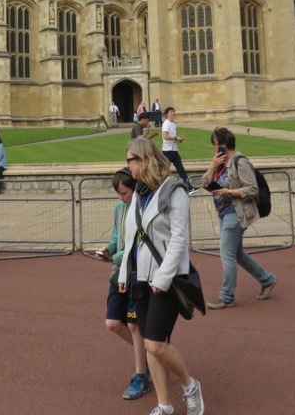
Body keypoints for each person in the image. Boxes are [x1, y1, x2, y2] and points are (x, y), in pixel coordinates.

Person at [118, 138, 204, 415]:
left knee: (155, 342)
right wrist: (123, 273)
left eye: (130, 159)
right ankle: (164, 406)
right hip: (141, 277)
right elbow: (131, 235)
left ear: (143, 160)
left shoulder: (174, 190)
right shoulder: (140, 192)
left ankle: (190, 385)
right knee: (150, 344)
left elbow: (179, 239)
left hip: (165, 278)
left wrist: (163, 278)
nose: (127, 165)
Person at [200, 126, 277, 309]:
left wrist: (229, 192)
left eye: (215, 144)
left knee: (227, 254)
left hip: (236, 214)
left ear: (223, 145)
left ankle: (227, 295)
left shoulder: (239, 162)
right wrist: (212, 165)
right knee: (238, 253)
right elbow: (204, 182)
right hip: (224, 213)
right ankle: (267, 279)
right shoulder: (220, 163)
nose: (213, 147)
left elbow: (252, 189)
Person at [98, 168, 150, 400]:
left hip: (136, 273)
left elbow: (138, 244)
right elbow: (115, 238)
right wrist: (108, 249)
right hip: (119, 272)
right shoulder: (120, 208)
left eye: (124, 193)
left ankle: (141, 375)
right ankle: (154, 354)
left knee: (133, 325)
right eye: (118, 193)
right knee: (112, 323)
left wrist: (117, 256)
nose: (121, 197)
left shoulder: (141, 208)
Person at [161, 107, 192, 192]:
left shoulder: (173, 124)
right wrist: (176, 138)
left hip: (174, 150)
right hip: (167, 151)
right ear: (167, 114)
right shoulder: (166, 124)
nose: (173, 113)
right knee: (164, 171)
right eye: (171, 112)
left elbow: (173, 138)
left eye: (174, 112)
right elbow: (165, 136)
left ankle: (189, 187)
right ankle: (159, 187)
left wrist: (179, 139)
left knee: (181, 169)